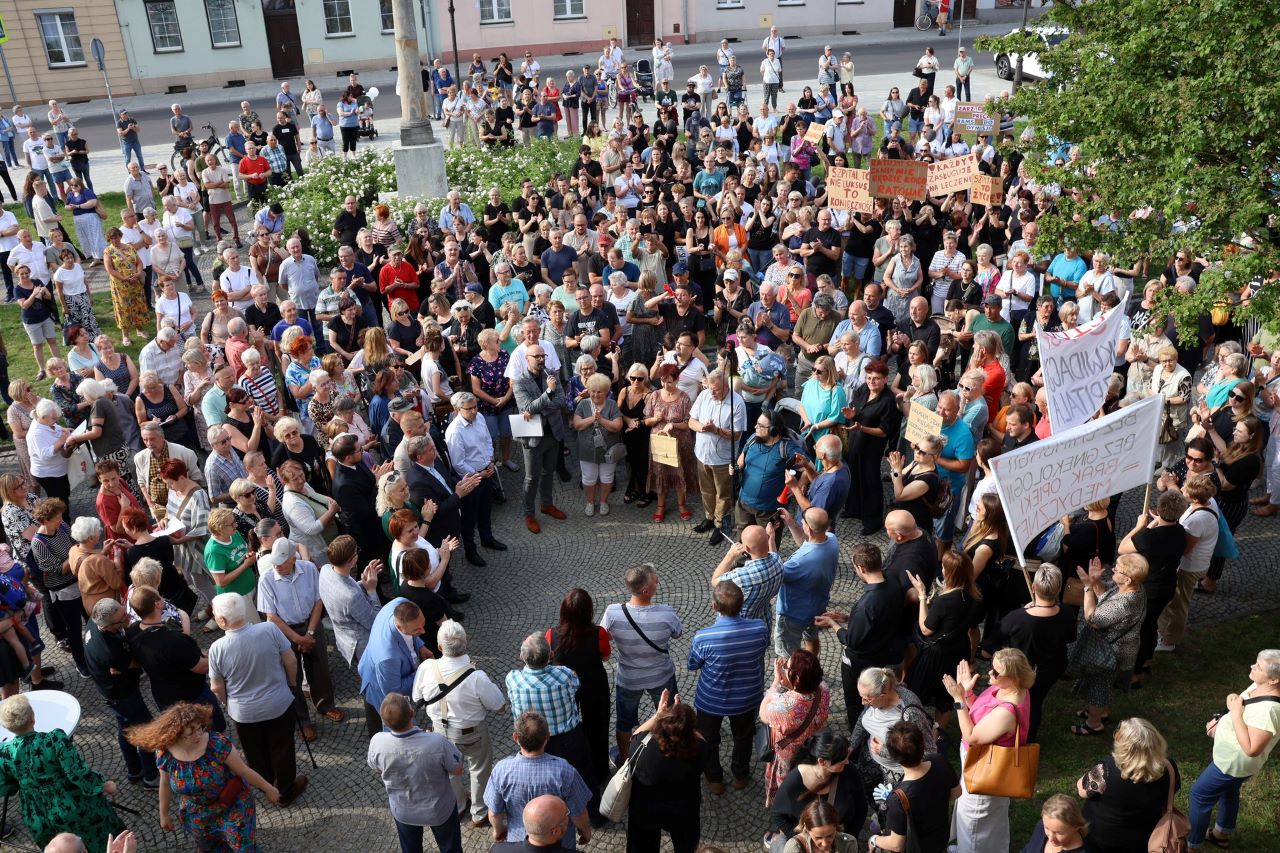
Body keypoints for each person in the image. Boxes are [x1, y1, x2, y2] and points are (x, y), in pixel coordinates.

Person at [127, 702, 279, 851]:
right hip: (197, 814)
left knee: (243, 847)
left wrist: (269, 789)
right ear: (176, 734)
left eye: (200, 728)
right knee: (212, 848)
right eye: (191, 733)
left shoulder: (217, 744)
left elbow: (243, 771)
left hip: (232, 806)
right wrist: (163, 814)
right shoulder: (165, 754)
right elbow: (165, 783)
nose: (199, 734)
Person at [207, 592, 309, 806]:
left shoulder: (217, 649)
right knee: (282, 747)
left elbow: (216, 687)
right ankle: (285, 790)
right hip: (278, 703)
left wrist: (227, 702)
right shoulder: (269, 630)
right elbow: (290, 660)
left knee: (255, 752)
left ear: (222, 620)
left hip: (244, 712)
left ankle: (266, 787)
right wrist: (291, 683)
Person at [412, 619, 507, 829]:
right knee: (479, 770)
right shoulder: (477, 677)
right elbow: (499, 705)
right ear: (466, 642)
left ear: (439, 647)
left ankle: (458, 806)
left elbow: (417, 696)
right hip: (473, 733)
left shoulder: (426, 668)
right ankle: (479, 812)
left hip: (439, 732)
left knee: (449, 770)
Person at [0, 694, 125, 851]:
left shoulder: (3, 753)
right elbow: (77, 773)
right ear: (32, 717)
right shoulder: (54, 740)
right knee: (101, 843)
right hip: (73, 804)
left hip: (37, 814)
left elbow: (7, 788)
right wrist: (104, 785)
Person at [1185, 649, 1280, 851]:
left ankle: (1192, 846)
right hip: (1233, 762)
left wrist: (1235, 713)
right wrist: (1230, 707)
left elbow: (1252, 749)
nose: (1252, 667)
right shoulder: (1260, 684)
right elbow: (1242, 703)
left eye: (1259, 667)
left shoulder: (1270, 711)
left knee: (1199, 795)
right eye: (1255, 662)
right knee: (1229, 792)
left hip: (1232, 763)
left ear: (1274, 680)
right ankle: (1221, 834)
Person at [943, 649, 1035, 853]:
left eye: (996, 672)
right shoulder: (1009, 687)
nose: (989, 673)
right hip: (981, 765)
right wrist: (967, 694)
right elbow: (982, 711)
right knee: (989, 819)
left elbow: (972, 736)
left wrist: (958, 700)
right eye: (992, 667)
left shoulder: (1006, 712)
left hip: (985, 771)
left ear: (1013, 677)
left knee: (974, 823)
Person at [688, 580, 770, 796]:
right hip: (747, 697)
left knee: (708, 739)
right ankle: (741, 776)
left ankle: (714, 778)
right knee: (743, 737)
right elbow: (762, 648)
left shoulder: (703, 636)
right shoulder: (759, 627)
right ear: (742, 604)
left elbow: (693, 664)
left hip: (711, 699)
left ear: (714, 606)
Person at [367, 692, 464, 853]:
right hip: (438, 809)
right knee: (450, 848)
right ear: (412, 713)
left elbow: (376, 767)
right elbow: (457, 769)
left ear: (383, 720)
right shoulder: (437, 742)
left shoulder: (377, 742)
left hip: (403, 811)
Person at [484, 711, 593, 848]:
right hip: (559, 841)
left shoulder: (501, 770)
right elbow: (578, 812)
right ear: (547, 736)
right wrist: (585, 832)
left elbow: (494, 813)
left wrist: (498, 830)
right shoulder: (564, 771)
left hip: (518, 841)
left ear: (515, 737)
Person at [1071, 553, 1149, 737]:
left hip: (1111, 653)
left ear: (1127, 579)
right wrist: (1095, 581)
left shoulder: (1124, 604)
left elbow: (1093, 619)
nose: (1113, 569)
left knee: (1099, 686)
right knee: (1103, 684)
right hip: (1117, 649)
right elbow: (1105, 593)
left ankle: (1094, 723)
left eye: (1117, 569)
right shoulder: (1133, 587)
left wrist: (1088, 587)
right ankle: (1101, 711)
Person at [1077, 717, 1180, 853]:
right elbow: (1172, 791)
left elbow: (1082, 791)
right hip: (1145, 837)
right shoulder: (1168, 768)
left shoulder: (1107, 770)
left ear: (1124, 748)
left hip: (1103, 839)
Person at [625, 691, 704, 853]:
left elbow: (635, 735)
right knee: (686, 847)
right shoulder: (699, 750)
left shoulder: (642, 747)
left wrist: (659, 715)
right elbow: (702, 739)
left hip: (646, 810)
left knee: (643, 848)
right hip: (683, 811)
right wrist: (682, 722)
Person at [869, 721, 959, 853]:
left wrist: (874, 840)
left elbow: (896, 845)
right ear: (923, 746)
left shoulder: (898, 798)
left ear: (893, 757)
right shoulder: (939, 760)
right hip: (941, 838)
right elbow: (957, 792)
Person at [760, 649, 831, 808]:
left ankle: (784, 805)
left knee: (788, 783)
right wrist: (790, 683)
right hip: (812, 744)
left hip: (788, 753)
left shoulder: (785, 705)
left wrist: (776, 683)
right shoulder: (823, 688)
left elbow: (763, 714)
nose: (785, 668)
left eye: (787, 667)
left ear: (797, 679)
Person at [512, 344, 569, 533]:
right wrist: (549, 393)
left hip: (553, 433)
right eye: (536, 356)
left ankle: (547, 504)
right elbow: (526, 407)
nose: (541, 359)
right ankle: (529, 514)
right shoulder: (519, 382)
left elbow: (561, 401)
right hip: (533, 437)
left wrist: (538, 409)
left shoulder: (551, 374)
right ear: (527, 358)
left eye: (542, 355)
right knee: (531, 478)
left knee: (549, 472)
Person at [689, 370, 747, 543]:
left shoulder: (737, 402)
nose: (712, 393)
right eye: (710, 388)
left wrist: (716, 430)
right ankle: (709, 517)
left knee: (723, 493)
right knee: (706, 490)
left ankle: (720, 524)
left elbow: (737, 434)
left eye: (716, 389)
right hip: (702, 454)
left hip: (722, 458)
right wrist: (702, 427)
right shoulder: (704, 395)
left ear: (726, 386)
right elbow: (691, 421)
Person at [775, 508, 840, 659]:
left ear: (809, 529)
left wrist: (771, 540)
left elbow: (776, 572)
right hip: (817, 607)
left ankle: (798, 673)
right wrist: (791, 523)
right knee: (811, 638)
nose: (801, 522)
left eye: (803, 521)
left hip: (792, 614)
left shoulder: (799, 562)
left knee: (788, 656)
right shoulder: (832, 539)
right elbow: (808, 544)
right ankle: (812, 665)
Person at [359, 599, 429, 735]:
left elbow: (413, 629)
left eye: (423, 623)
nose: (423, 631)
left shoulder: (399, 602)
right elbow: (394, 691)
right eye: (416, 630)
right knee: (397, 725)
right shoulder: (388, 656)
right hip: (379, 686)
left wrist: (420, 645)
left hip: (385, 667)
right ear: (399, 627)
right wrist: (424, 670)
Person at [1021, 794, 1090, 853]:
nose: (1051, 838)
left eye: (1059, 833)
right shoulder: (1041, 826)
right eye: (1047, 828)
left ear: (1076, 827)